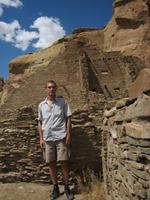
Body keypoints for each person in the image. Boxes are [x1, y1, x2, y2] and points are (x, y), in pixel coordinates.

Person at [38, 80, 74, 200]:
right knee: (51, 164)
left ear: (56, 88)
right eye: (49, 87)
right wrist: (41, 138)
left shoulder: (62, 102)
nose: (51, 89)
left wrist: (68, 134)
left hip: (61, 137)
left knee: (64, 162)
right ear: (45, 89)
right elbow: (40, 122)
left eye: (53, 87)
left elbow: (68, 118)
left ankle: (67, 187)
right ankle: (55, 187)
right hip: (48, 138)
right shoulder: (41, 105)